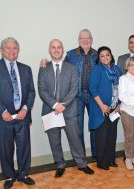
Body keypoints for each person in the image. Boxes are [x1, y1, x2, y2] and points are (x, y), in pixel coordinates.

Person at [0, 37, 36, 189]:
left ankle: (23, 174)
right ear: (2, 50)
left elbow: (31, 92)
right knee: (5, 148)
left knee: (24, 146)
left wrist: (25, 108)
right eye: (8, 48)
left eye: (15, 48)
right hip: (2, 118)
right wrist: (3, 111)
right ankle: (9, 176)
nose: (12, 51)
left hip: (22, 116)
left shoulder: (26, 69)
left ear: (18, 51)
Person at [38, 39, 94, 178]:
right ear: (50, 50)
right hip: (50, 110)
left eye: (59, 47)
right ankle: (60, 164)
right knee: (54, 140)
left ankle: (81, 163)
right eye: (53, 47)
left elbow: (74, 89)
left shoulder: (72, 68)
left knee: (75, 138)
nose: (56, 50)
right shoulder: (44, 68)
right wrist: (55, 105)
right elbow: (42, 89)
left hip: (69, 110)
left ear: (63, 50)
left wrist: (63, 105)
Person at [89, 46, 121, 170]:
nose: (105, 57)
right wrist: (102, 105)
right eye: (102, 56)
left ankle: (111, 159)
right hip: (100, 108)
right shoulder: (97, 69)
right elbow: (93, 88)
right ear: (99, 58)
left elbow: (120, 87)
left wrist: (119, 104)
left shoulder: (117, 69)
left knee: (112, 135)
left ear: (111, 56)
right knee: (102, 136)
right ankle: (102, 162)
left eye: (107, 55)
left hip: (114, 108)